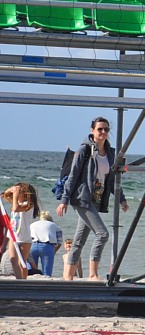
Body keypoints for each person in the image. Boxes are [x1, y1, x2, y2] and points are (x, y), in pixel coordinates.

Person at [56, 117, 128, 282]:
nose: (103, 132)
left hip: (96, 199)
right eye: (99, 129)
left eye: (106, 129)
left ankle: (68, 277)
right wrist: (64, 200)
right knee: (102, 234)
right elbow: (73, 176)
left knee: (79, 241)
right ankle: (93, 274)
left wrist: (122, 199)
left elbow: (111, 180)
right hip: (82, 198)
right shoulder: (84, 150)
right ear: (92, 130)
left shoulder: (110, 153)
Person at [2, 183, 38, 278]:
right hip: (13, 234)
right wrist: (11, 190)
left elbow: (16, 208)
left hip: (24, 237)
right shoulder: (17, 202)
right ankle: (19, 280)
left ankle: (23, 281)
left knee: (22, 262)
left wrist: (15, 194)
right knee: (13, 259)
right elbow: (5, 195)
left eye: (19, 192)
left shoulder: (29, 205)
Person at [28, 211, 64, 277]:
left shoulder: (32, 224)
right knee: (47, 272)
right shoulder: (55, 226)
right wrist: (54, 251)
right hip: (47, 246)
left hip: (32, 245)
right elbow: (59, 242)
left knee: (31, 269)